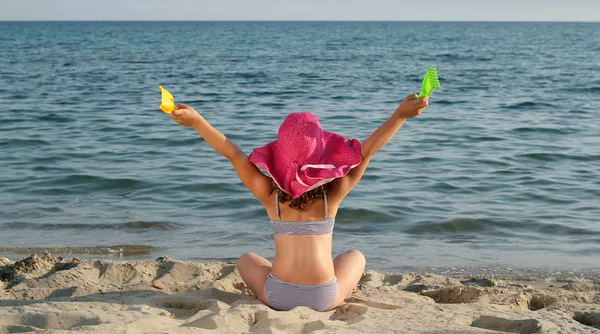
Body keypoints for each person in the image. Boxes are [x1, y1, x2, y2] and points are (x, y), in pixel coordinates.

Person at [168, 93, 428, 311]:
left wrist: (197, 122)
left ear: (280, 157)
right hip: (324, 297)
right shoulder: (333, 195)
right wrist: (400, 115)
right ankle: (346, 290)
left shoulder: (271, 196)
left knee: (247, 258)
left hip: (278, 295)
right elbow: (368, 149)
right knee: (356, 256)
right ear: (322, 158)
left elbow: (234, 154)